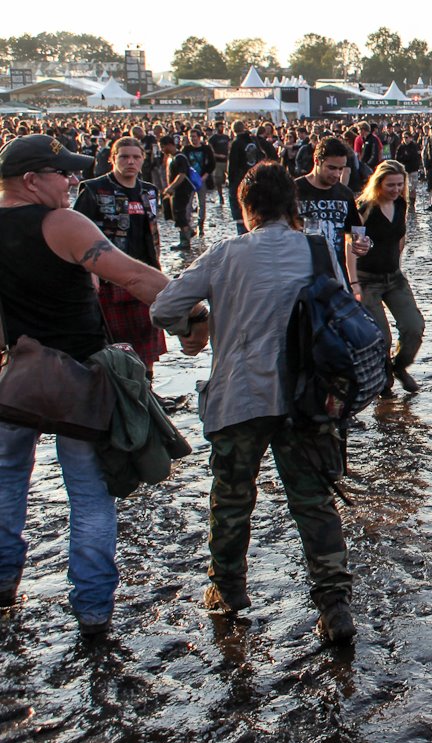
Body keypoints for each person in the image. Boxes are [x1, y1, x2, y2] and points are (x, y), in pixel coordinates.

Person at [150, 161, 357, 643]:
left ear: (247, 209)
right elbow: (343, 312)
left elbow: (163, 308)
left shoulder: (226, 254)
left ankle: (227, 592)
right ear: (292, 207)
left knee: (232, 498)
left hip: (239, 395)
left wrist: (196, 322)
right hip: (304, 399)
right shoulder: (318, 249)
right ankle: (334, 605)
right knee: (313, 502)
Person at [0, 134, 177, 635]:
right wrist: (196, 306)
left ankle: (3, 584)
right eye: (63, 173)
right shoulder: (62, 222)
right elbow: (134, 277)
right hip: (77, 378)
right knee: (89, 493)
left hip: (17, 380)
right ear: (31, 180)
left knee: (7, 479)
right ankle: (94, 610)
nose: (73, 180)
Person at [73, 136, 166, 378]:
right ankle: (119, 389)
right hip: (108, 276)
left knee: (146, 339)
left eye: (136, 157)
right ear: (113, 159)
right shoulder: (93, 189)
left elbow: (152, 234)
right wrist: (89, 272)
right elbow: (77, 233)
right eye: (124, 157)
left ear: (143, 160)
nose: (130, 162)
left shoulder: (150, 192)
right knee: (113, 341)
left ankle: (147, 389)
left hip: (145, 272)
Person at [354, 160, 425, 397]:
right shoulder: (364, 207)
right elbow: (351, 245)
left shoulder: (401, 204)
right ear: (378, 183)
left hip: (394, 277)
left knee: (414, 326)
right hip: (366, 279)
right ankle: (384, 379)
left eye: (399, 185)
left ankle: (399, 367)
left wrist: (396, 258)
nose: (395, 190)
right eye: (390, 185)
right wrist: (353, 282)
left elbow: (400, 236)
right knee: (381, 337)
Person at [294, 138, 366, 286]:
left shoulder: (344, 194)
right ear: (317, 161)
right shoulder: (295, 190)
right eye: (331, 168)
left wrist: (363, 243)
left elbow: (356, 232)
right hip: (302, 273)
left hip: (336, 274)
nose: (337, 174)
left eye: (341, 169)